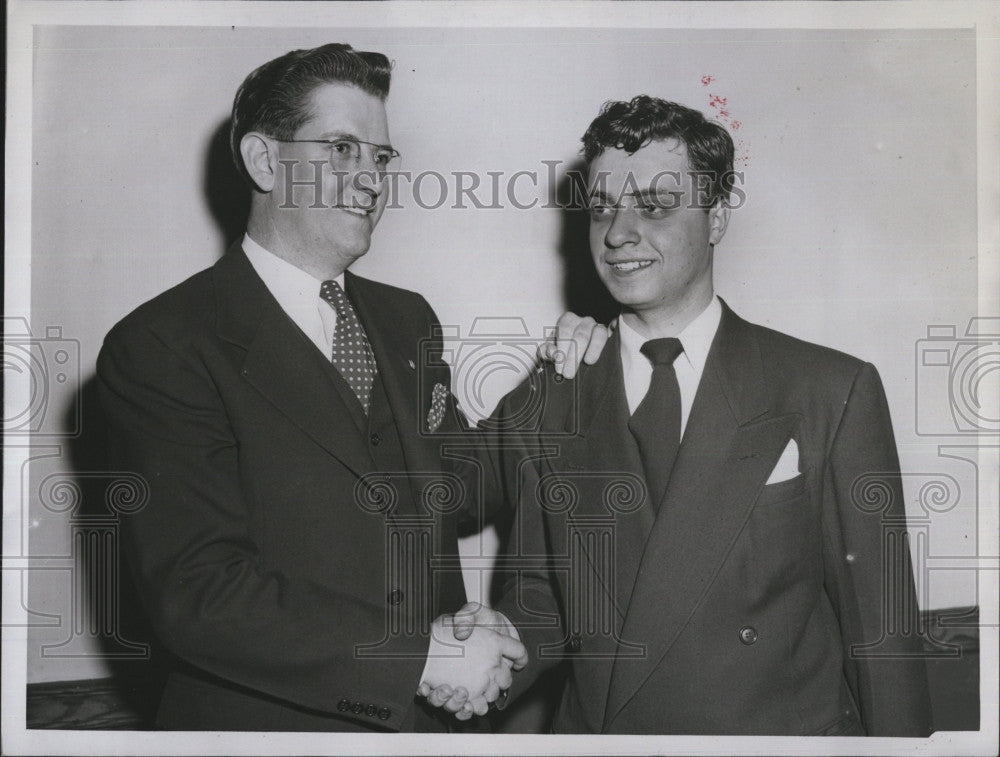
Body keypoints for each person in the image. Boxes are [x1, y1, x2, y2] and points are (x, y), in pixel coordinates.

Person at [97, 43, 600, 732]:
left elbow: (461, 485)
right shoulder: (162, 343)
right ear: (263, 160)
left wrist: (557, 381)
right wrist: (417, 658)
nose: (371, 179)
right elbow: (200, 593)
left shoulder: (404, 319)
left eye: (381, 157)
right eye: (342, 148)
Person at [433, 95, 934, 735]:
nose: (618, 233)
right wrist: (503, 638)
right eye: (604, 208)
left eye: (656, 206)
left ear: (717, 217)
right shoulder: (557, 391)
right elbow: (548, 595)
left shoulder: (829, 389)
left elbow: (884, 642)